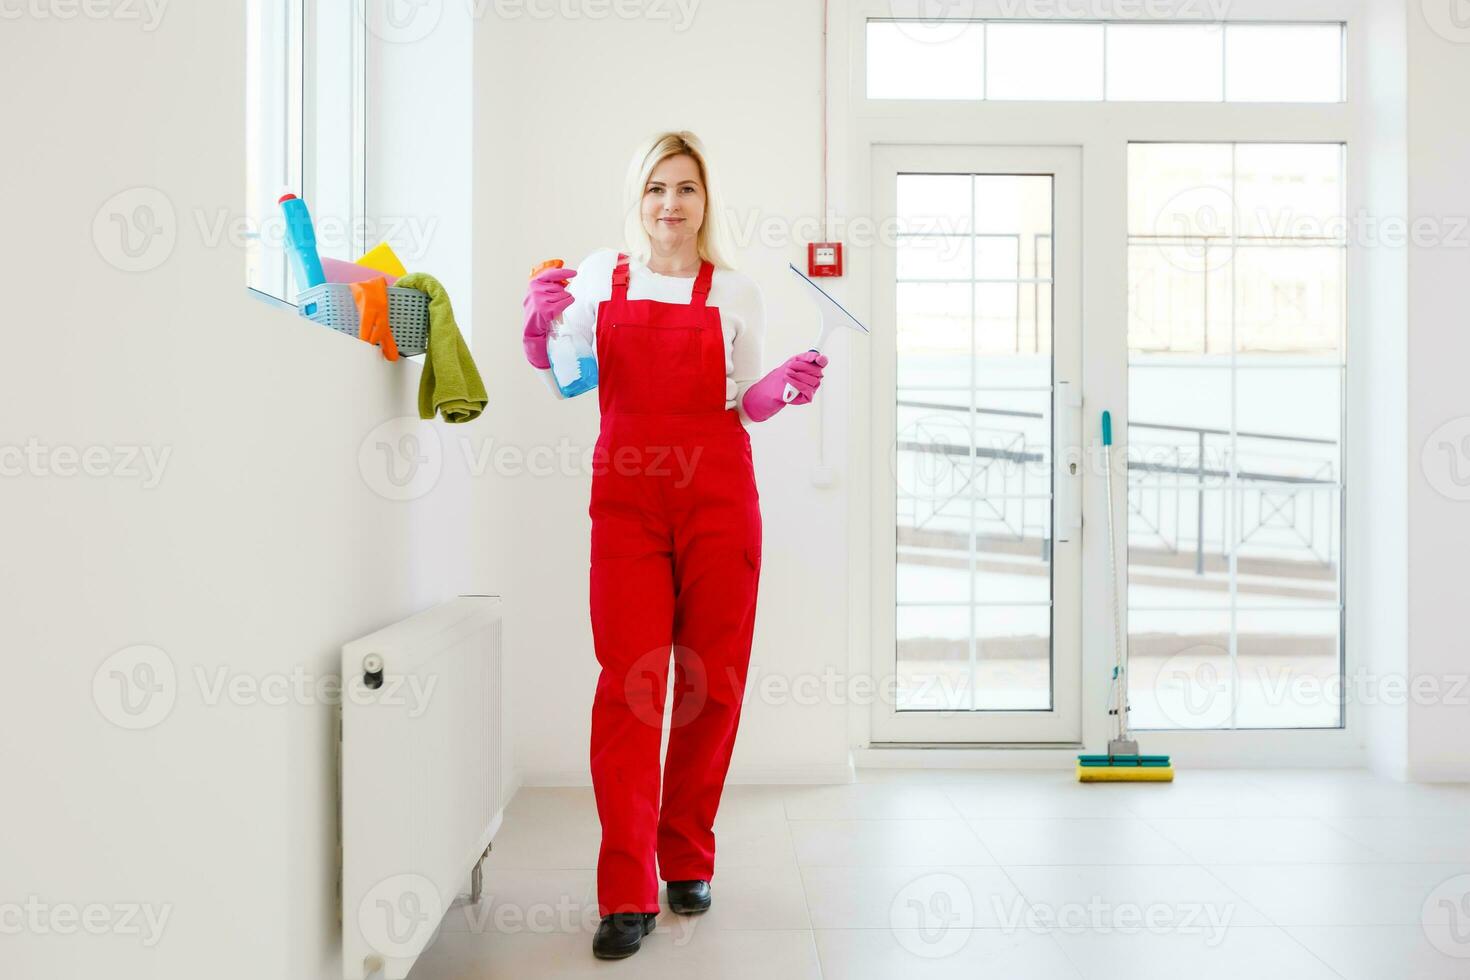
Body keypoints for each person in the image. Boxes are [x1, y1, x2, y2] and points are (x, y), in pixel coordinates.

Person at [521, 130, 827, 959]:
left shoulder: (736, 292)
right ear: (638, 198)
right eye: (657, 187)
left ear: (705, 201)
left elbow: (748, 399)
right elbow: (565, 372)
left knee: (712, 681)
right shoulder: (599, 278)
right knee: (630, 686)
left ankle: (685, 855)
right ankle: (626, 892)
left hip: (720, 498)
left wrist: (777, 388)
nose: (670, 203)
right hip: (627, 501)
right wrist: (537, 327)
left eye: (686, 188)